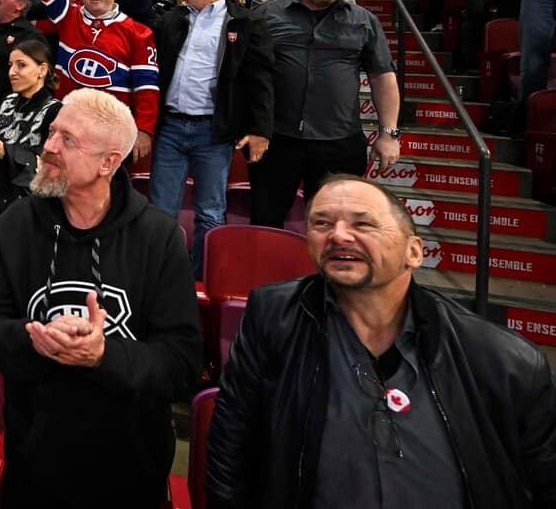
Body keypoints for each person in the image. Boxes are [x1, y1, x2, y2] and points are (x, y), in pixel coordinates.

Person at [207, 174, 556, 509]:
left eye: (363, 224)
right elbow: (231, 445)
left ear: (414, 252)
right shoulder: (273, 319)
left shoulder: (504, 361)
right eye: (321, 224)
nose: (339, 236)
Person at [0, 88, 200, 507]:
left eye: (68, 140)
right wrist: (32, 337)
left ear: (109, 163)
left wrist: (103, 356)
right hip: (34, 463)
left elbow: (180, 364)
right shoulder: (15, 225)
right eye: (52, 132)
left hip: (129, 470)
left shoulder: (159, 238)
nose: (49, 147)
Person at [250, 0, 400, 227]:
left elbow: (383, 77)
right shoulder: (266, 15)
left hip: (340, 141)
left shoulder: (364, 20)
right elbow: (247, 73)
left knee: (338, 226)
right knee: (265, 220)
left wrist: (388, 133)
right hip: (276, 140)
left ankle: (327, 273)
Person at [150, 0, 274, 278]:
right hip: (170, 128)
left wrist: (261, 129)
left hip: (214, 133)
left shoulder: (245, 22)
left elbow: (261, 78)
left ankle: (199, 280)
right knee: (160, 213)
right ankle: (160, 278)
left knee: (210, 212)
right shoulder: (170, 19)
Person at [18, 0, 158, 162]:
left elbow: (147, 87)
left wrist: (144, 130)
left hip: (109, 134)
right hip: (64, 125)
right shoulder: (68, 16)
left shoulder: (138, 32)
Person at [0, 39, 61, 295]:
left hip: (24, 208)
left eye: (21, 65)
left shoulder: (55, 111)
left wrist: (0, 149)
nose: (12, 72)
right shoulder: (5, 102)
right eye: (10, 65)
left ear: (42, 70)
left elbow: (42, 167)